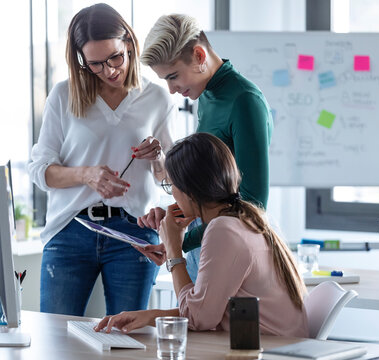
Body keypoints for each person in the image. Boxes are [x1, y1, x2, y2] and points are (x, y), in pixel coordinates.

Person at [28, 3, 175, 316]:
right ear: (81, 60)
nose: (109, 70)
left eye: (115, 57)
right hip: (70, 229)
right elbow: (40, 171)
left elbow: (169, 182)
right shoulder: (63, 95)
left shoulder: (157, 98)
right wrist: (86, 175)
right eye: (95, 63)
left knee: (129, 341)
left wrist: (158, 156)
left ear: (129, 45)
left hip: (134, 232)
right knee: (55, 339)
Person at [95, 133, 308, 337]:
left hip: (269, 350)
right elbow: (207, 310)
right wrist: (150, 316)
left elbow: (198, 318)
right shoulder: (246, 219)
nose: (173, 195)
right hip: (273, 345)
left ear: (190, 190)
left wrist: (174, 250)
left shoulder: (223, 230)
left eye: (171, 185)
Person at [136, 14, 273, 279]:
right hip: (209, 239)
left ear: (199, 56)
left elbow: (252, 205)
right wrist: (174, 215)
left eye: (173, 76)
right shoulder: (206, 95)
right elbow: (216, 193)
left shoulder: (245, 101)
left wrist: (181, 243)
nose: (172, 90)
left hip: (229, 245)